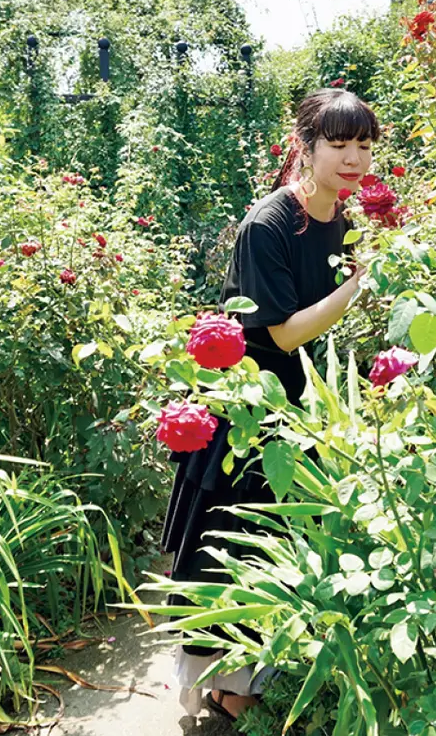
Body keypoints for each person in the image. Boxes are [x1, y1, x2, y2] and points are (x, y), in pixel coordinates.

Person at [160, 88, 380, 721]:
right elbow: (282, 331)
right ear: (305, 148)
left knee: (286, 537)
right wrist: (362, 283)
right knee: (234, 539)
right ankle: (224, 686)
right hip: (253, 404)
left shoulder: (344, 217)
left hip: (309, 399)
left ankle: (263, 676)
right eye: (337, 145)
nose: (352, 158)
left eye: (363, 145)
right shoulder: (269, 224)